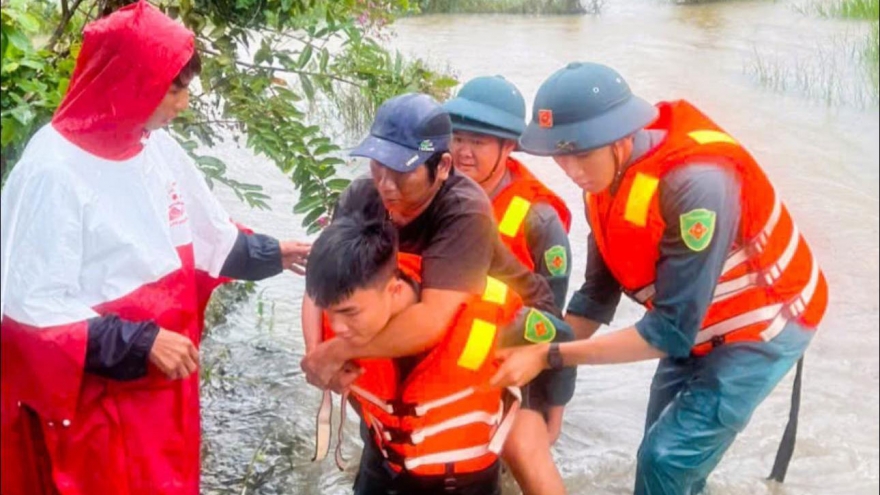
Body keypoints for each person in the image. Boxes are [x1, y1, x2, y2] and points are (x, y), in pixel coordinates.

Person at [0, 3, 309, 494]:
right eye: (175, 88)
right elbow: (30, 311)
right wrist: (143, 342)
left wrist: (274, 254)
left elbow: (208, 238)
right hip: (97, 406)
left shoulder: (156, 149)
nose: (183, 103)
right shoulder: (52, 171)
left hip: (163, 392)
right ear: (128, 80)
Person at [490, 62, 828, 494]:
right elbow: (595, 297)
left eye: (580, 153)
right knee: (660, 450)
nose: (571, 169)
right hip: (692, 321)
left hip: (764, 326)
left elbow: (667, 333)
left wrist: (550, 356)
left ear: (620, 137)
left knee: (665, 459)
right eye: (560, 154)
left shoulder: (697, 184)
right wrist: (532, 355)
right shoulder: (602, 186)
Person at [299, 93, 568, 494]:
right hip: (419, 322)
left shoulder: (465, 209)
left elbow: (430, 320)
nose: (385, 184)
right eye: (378, 166)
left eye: (402, 173)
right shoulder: (362, 197)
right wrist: (318, 357)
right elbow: (322, 283)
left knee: (509, 446)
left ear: (442, 167)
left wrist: (338, 352)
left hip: (510, 327)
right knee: (389, 423)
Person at [306, 212, 573, 495]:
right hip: (382, 470)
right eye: (329, 313)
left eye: (349, 313)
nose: (337, 327)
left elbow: (563, 337)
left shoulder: (483, 314)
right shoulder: (337, 313)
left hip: (464, 482)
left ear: (393, 290)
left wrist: (552, 417)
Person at [443, 75, 574, 492]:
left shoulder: (538, 219)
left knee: (520, 458)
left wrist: (554, 408)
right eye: (457, 138)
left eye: (478, 143)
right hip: (443, 353)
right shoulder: (429, 190)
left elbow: (550, 321)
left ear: (509, 146)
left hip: (508, 364)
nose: (463, 152)